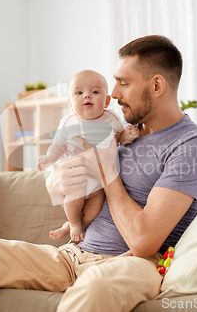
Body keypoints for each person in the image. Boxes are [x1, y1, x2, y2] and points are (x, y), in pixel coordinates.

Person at [0, 35, 197, 312]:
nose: (113, 95)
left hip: (135, 263)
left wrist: (107, 173)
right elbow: (67, 179)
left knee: (95, 286)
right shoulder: (117, 132)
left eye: (124, 84)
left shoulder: (191, 146)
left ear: (156, 85)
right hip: (73, 254)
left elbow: (143, 243)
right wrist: (56, 179)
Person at [38, 69, 140, 242]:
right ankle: (74, 223)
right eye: (79, 92)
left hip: (99, 183)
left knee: (95, 209)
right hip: (76, 177)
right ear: (71, 103)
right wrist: (49, 159)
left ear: (107, 101)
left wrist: (128, 135)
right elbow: (58, 146)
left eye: (95, 92)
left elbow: (120, 138)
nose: (87, 96)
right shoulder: (68, 122)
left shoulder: (111, 119)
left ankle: (77, 225)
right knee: (73, 200)